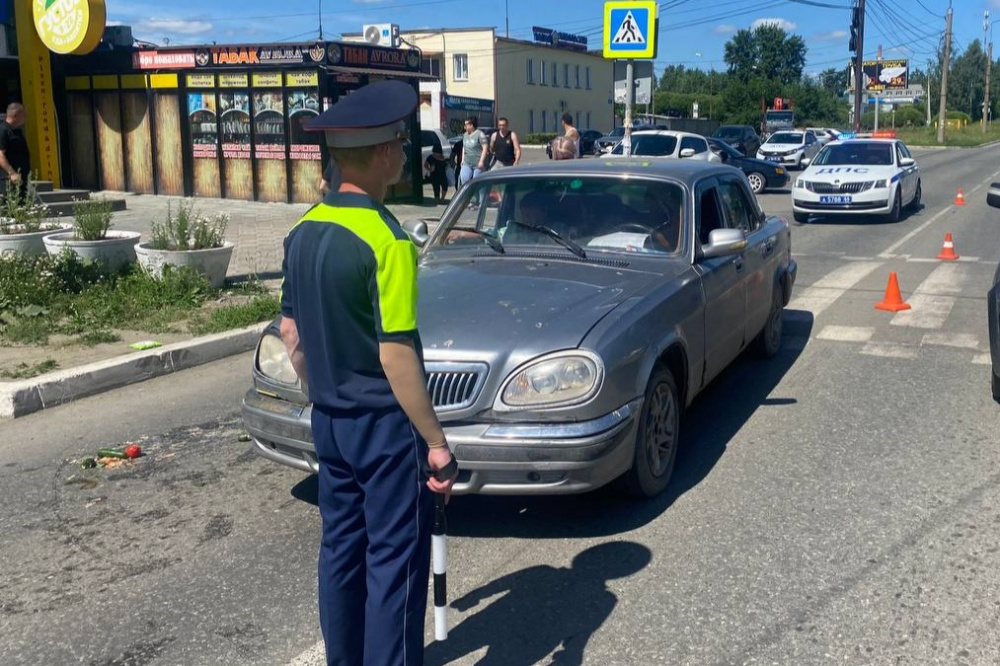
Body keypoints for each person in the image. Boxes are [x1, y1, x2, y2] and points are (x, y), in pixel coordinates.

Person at [283, 79, 458, 666]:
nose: (405, 156)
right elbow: (397, 354)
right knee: (394, 565)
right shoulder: (388, 241)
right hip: (385, 430)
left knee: (340, 551)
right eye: (401, 147)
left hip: (330, 421)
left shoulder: (301, 231)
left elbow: (292, 337)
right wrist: (436, 443)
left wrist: (325, 390)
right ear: (383, 153)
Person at [0, 103, 30, 201]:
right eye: (23, 114)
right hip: (8, 180)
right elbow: (0, 154)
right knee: (10, 209)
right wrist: (12, 173)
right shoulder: (3, 130)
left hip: (20, 179)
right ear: (15, 115)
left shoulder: (17, 132)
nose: (25, 117)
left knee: (21, 208)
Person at [458, 116, 488, 187]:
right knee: (464, 180)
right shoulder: (465, 135)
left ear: (471, 125)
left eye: (466, 125)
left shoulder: (480, 134)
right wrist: (462, 160)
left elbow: (485, 147)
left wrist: (481, 161)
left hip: (477, 163)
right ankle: (467, 197)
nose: (464, 127)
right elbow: (464, 147)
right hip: (467, 162)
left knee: (477, 183)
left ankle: (480, 197)